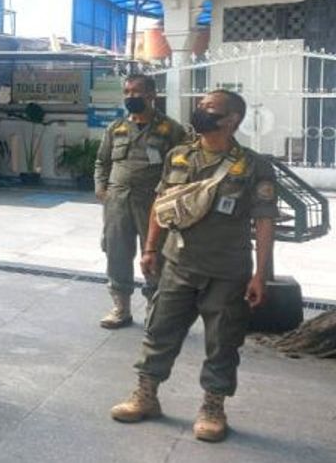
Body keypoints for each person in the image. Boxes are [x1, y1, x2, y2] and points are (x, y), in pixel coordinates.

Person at [110, 90, 276, 443]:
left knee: (222, 342)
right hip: (178, 263)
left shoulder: (253, 165)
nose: (200, 111)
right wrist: (151, 247)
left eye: (210, 109)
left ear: (232, 120)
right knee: (159, 331)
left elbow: (264, 220)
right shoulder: (179, 155)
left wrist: (261, 273)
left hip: (227, 271)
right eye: (200, 106)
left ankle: (213, 407)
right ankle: (146, 395)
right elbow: (162, 201)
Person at [94, 75, 190, 328]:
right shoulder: (116, 128)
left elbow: (183, 166)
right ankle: (120, 308)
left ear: (151, 95)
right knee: (116, 253)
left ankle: (154, 309)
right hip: (117, 202)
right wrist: (101, 189)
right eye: (126, 91)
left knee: (155, 255)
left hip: (152, 203)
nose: (130, 97)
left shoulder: (171, 129)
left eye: (136, 92)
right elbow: (101, 162)